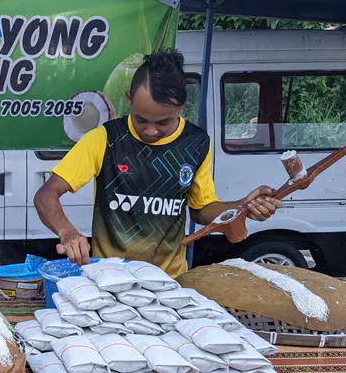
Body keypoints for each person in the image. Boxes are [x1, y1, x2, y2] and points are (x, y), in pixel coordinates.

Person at [34, 49, 281, 278]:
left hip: (170, 281)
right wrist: (67, 231)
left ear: (181, 108)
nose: (151, 131)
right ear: (129, 99)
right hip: (109, 278)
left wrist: (241, 207)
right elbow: (46, 194)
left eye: (163, 122)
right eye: (141, 120)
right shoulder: (106, 139)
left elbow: (201, 209)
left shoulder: (195, 143)